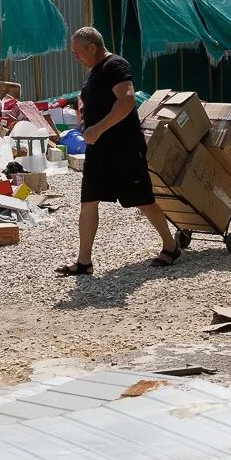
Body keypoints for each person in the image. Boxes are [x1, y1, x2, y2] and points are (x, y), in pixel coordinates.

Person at [57, 26, 181, 275]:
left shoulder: (115, 66)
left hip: (123, 149)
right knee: (88, 202)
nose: (76, 57)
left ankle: (171, 246)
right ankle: (84, 262)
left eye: (78, 52)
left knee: (143, 201)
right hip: (98, 151)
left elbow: (127, 101)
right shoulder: (95, 71)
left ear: (92, 47)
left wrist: (98, 129)